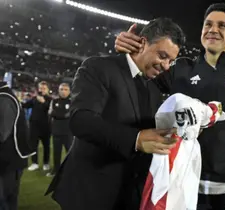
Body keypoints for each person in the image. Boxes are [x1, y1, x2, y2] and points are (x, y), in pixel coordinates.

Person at [115, 3, 225, 210]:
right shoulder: (179, 69)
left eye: (222, 26)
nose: (212, 30)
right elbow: (139, 74)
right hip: (181, 180)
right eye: (208, 24)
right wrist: (130, 51)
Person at [46, 17, 186, 210]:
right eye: (162, 56)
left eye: (171, 60)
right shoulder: (98, 67)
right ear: (143, 43)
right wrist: (136, 139)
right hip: (90, 192)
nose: (166, 66)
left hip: (129, 194)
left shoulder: (154, 86)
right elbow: (81, 120)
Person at [0, 80, 36, 210]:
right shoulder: (4, 96)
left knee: (4, 200)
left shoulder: (4, 99)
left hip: (8, 161)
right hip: (9, 159)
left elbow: (2, 133)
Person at [23, 81, 52, 172]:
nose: (42, 90)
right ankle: (34, 163)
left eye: (44, 88)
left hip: (46, 127)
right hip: (34, 126)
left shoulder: (51, 100)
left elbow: (51, 111)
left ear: (48, 89)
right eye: (40, 88)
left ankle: (46, 163)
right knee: (33, 145)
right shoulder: (34, 99)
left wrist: (43, 102)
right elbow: (25, 105)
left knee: (46, 146)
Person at [46, 83, 73, 177]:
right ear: (58, 90)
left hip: (68, 132)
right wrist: (63, 115)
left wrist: (58, 114)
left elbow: (70, 115)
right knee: (56, 153)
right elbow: (51, 113)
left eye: (66, 89)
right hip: (56, 131)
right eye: (61, 89)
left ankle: (70, 171)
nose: (63, 91)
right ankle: (56, 170)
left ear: (69, 91)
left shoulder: (72, 102)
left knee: (69, 153)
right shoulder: (54, 101)